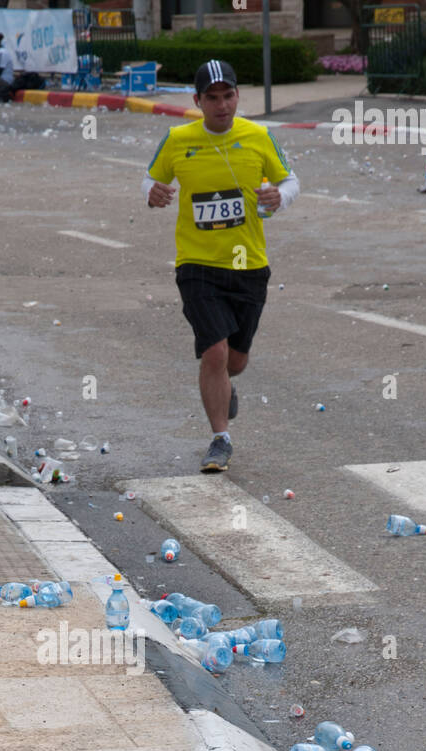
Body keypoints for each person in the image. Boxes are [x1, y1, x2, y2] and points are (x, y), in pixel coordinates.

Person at [143, 60, 300, 473]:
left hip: (249, 264)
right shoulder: (178, 139)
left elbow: (290, 180)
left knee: (235, 361)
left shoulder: (258, 135)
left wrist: (280, 198)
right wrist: (153, 192)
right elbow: (149, 178)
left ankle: (226, 386)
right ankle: (220, 439)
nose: (221, 105)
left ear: (236, 97)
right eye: (211, 98)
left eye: (227, 96)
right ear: (197, 101)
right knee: (213, 353)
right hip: (197, 264)